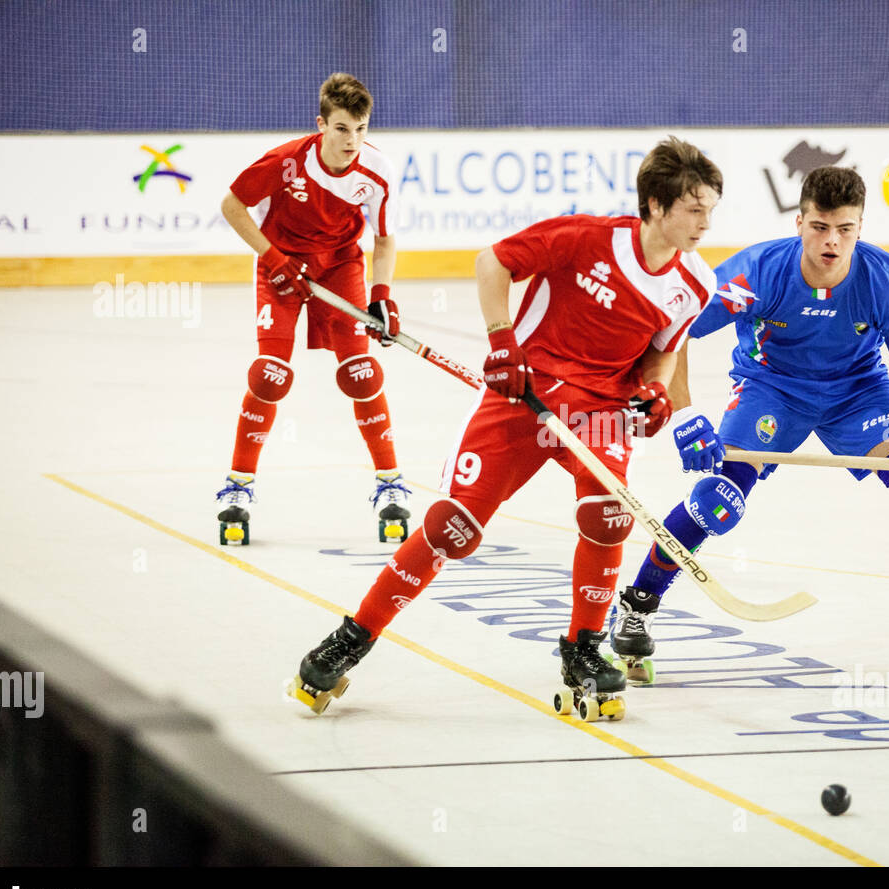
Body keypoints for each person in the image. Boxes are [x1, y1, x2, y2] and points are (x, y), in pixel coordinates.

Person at [286, 136, 723, 719]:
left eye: (710, 210)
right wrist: (501, 341)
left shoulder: (694, 284)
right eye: (694, 210)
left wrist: (651, 392)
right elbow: (493, 261)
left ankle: (583, 650)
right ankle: (351, 638)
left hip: (598, 412)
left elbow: (661, 355)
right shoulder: (585, 237)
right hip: (527, 394)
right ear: (656, 206)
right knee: (452, 528)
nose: (704, 224)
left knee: (608, 516)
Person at [612, 166, 889, 680]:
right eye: (819, 227)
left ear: (861, 228)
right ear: (799, 222)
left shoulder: (879, 276)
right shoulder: (759, 272)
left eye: (845, 229)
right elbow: (675, 328)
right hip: (772, 390)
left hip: (858, 394)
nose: (831, 241)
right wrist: (683, 413)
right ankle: (636, 607)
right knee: (715, 502)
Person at [214, 72, 412, 546]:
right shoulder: (285, 162)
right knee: (269, 376)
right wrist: (273, 258)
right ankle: (237, 489)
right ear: (321, 124)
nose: (352, 141)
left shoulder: (378, 171)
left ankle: (390, 483)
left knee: (362, 373)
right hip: (279, 267)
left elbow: (383, 239)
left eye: (361, 129)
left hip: (339, 267)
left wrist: (382, 295)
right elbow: (232, 206)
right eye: (342, 129)